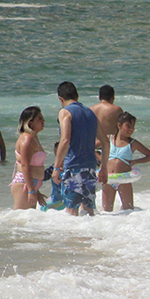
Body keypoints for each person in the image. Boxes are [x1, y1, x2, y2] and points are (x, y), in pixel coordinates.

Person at [52, 81, 108, 216]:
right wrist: (104, 168)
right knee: (89, 211)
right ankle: (89, 236)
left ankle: (73, 237)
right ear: (77, 96)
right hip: (90, 167)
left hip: (73, 167)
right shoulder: (91, 113)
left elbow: (65, 140)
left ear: (61, 99)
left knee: (72, 211)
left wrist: (56, 167)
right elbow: (105, 142)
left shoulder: (65, 112)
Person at [101, 112, 150, 212]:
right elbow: (91, 148)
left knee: (129, 211)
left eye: (133, 127)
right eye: (128, 126)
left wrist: (135, 161)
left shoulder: (132, 143)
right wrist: (101, 159)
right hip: (108, 179)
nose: (131, 129)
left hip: (124, 180)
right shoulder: (109, 138)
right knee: (106, 212)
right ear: (119, 125)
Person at [10, 106, 46, 209]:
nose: (43, 121)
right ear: (30, 123)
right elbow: (25, 166)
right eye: (39, 118)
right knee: (20, 220)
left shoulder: (34, 137)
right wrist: (31, 190)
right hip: (24, 184)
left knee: (28, 220)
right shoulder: (27, 138)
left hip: (30, 183)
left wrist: (36, 191)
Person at [90, 85, 124, 152]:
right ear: (113, 97)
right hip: (109, 147)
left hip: (93, 147)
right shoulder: (116, 109)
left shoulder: (90, 110)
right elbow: (122, 129)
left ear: (99, 97)